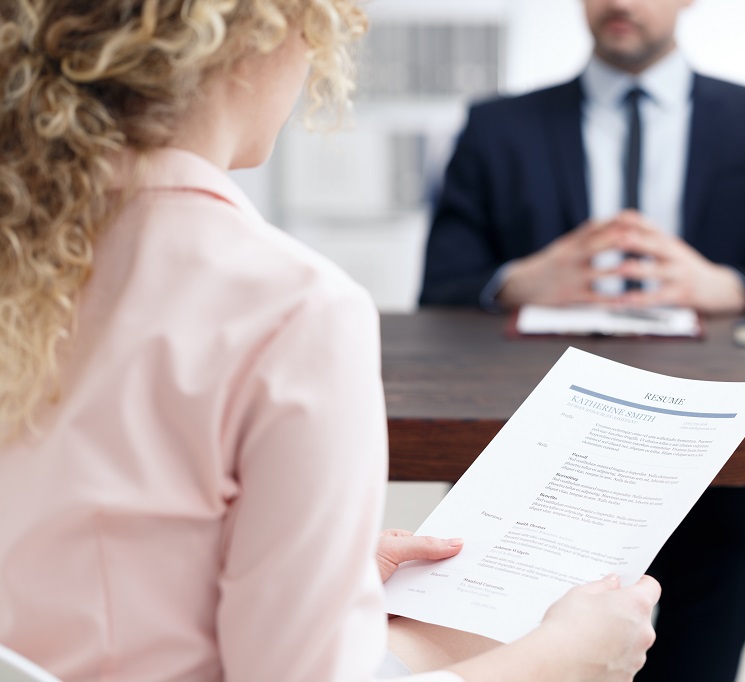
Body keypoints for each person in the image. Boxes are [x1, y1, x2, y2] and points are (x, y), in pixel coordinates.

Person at [0, 2, 661, 681]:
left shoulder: (27, 258)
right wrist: (567, 661)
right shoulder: (293, 308)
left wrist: (326, 570)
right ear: (271, 32)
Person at [418, 1, 745, 680]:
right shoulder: (497, 126)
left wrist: (737, 286)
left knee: (731, 555)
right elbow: (443, 288)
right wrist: (518, 279)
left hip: (716, 444)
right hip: (535, 434)